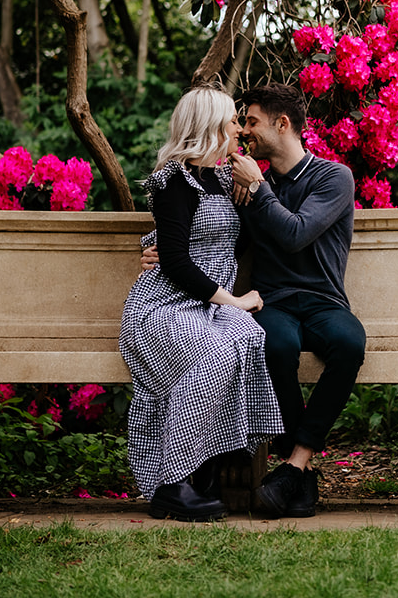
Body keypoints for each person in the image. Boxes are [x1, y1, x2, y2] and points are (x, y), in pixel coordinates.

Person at [119, 86, 283, 522]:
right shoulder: (174, 179)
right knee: (210, 352)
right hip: (166, 304)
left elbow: (242, 241)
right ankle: (172, 485)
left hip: (212, 305)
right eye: (232, 120)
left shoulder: (229, 179)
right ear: (210, 125)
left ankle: (206, 469)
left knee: (248, 338)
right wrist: (234, 299)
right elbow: (173, 261)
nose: (239, 128)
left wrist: (253, 193)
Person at [231, 83, 364, 519]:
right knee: (276, 346)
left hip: (324, 301)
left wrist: (259, 190)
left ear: (282, 124)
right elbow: (224, 245)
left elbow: (294, 234)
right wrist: (160, 252)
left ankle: (293, 464)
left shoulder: (333, 177)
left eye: (251, 121)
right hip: (275, 304)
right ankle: (299, 475)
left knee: (350, 343)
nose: (245, 132)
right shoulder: (253, 187)